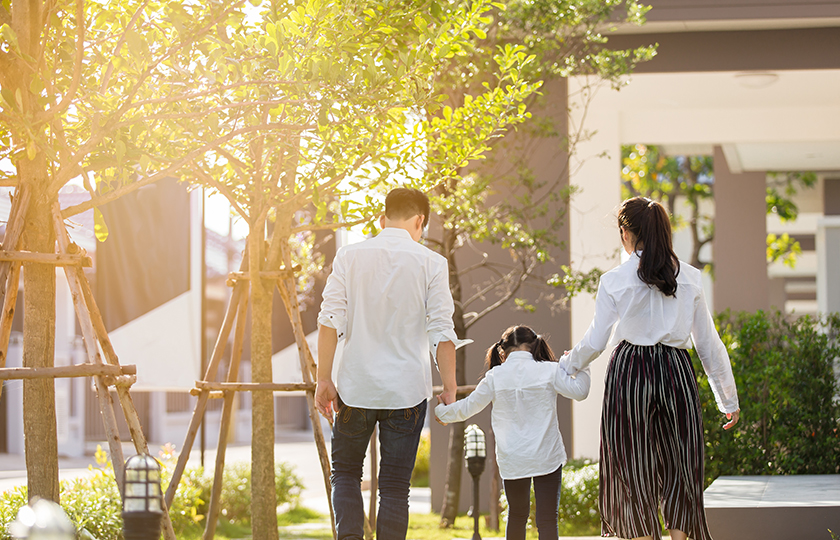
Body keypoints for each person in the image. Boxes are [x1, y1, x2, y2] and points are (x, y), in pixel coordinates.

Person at [560, 196, 740, 540]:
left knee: (630, 465)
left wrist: (569, 362)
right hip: (676, 370)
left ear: (626, 233)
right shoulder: (688, 277)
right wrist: (727, 399)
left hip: (630, 371)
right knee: (681, 463)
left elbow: (596, 341)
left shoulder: (614, 280)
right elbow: (708, 344)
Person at [315, 187, 462, 540]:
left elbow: (328, 321)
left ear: (383, 218)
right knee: (395, 486)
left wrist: (323, 379)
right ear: (419, 220)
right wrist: (451, 390)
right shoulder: (432, 263)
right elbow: (442, 332)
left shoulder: (349, 256)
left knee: (346, 474)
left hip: (356, 387)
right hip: (406, 393)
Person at [435, 325, 591, 540]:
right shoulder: (549, 370)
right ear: (535, 346)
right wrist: (583, 365)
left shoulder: (495, 376)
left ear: (502, 352)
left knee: (517, 516)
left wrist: (441, 412)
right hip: (546, 455)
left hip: (513, 458)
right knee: (547, 519)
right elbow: (580, 391)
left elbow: (467, 408)